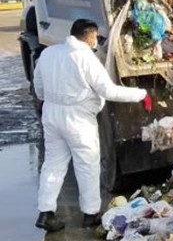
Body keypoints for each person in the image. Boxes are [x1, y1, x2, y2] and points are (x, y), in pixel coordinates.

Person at [33, 19, 152, 232]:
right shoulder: (85, 57)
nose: (96, 40)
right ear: (90, 36)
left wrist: (48, 102)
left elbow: (38, 87)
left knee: (53, 164)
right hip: (78, 118)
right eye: (96, 37)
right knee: (87, 165)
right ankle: (90, 214)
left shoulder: (48, 53)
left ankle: (46, 213)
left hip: (51, 114)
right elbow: (109, 91)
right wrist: (141, 94)